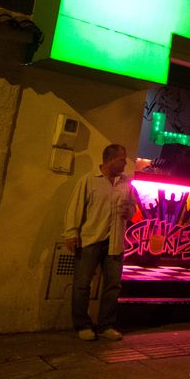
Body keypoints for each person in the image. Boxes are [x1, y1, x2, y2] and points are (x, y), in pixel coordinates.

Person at [63, 144, 137, 341]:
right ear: (111, 160)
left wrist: (128, 212)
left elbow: (132, 207)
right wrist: (71, 233)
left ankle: (106, 326)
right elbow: (75, 208)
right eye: (122, 159)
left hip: (114, 242)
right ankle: (82, 325)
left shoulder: (126, 183)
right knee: (82, 285)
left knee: (113, 285)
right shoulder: (89, 181)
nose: (125, 163)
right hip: (90, 239)